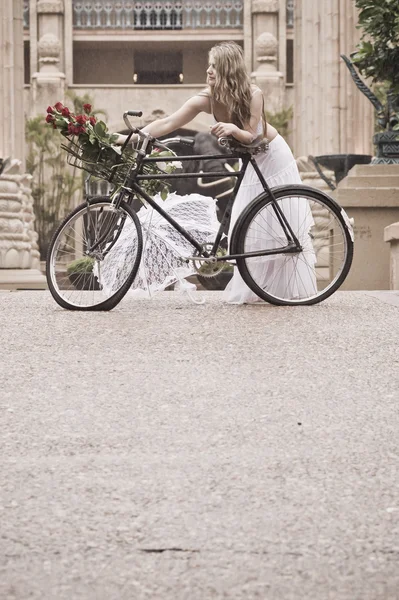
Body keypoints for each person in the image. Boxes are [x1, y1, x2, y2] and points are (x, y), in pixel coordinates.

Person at [117, 41, 310, 304]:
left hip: (271, 155)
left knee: (272, 224)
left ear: (228, 70)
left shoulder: (254, 94)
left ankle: (283, 289)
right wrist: (133, 137)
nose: (208, 70)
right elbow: (170, 121)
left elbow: (254, 135)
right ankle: (264, 290)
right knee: (248, 225)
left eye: (214, 66)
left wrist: (231, 129)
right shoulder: (207, 98)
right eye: (209, 64)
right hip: (249, 159)